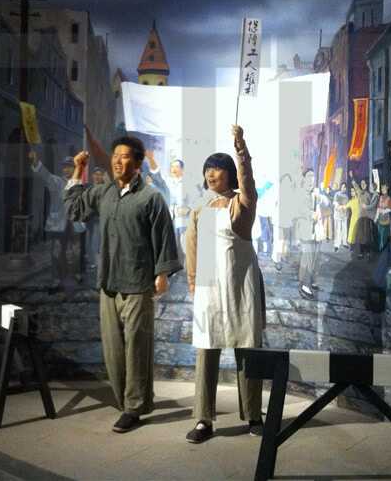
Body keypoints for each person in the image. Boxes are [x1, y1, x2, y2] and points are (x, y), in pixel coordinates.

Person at [64, 136, 181, 433]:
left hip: (138, 283)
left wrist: (162, 274)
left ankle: (134, 407)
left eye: (124, 156)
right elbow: (75, 209)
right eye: (115, 155)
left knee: (137, 348)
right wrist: (79, 171)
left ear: (138, 162)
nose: (117, 161)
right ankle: (126, 401)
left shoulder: (151, 197)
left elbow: (164, 236)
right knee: (113, 350)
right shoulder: (104, 193)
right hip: (109, 283)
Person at [185, 125, 264, 444]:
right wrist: (193, 282)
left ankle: (254, 415)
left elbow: (248, 184)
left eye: (217, 168)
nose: (211, 174)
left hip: (240, 283)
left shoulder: (242, 204)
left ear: (230, 173)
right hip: (208, 287)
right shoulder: (199, 208)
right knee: (206, 352)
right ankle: (203, 419)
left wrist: (241, 150)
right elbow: (192, 247)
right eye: (207, 169)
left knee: (247, 349)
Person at [29, 151, 85, 287]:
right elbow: (45, 176)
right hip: (59, 224)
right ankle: (57, 278)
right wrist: (36, 162)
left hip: (75, 224)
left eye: (70, 167)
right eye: (65, 167)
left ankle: (77, 273)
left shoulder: (80, 186)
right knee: (56, 250)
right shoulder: (57, 182)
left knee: (77, 251)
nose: (67, 170)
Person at [297, 169, 323, 300]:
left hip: (317, 232)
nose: (311, 178)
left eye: (313, 176)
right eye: (308, 176)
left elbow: (327, 203)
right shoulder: (301, 192)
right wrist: (309, 214)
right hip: (305, 231)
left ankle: (310, 281)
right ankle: (305, 286)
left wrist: (319, 197)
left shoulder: (316, 192)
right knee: (307, 260)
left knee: (315, 259)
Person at [84, 167, 107, 273]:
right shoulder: (88, 188)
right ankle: (90, 260)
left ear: (102, 176)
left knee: (95, 241)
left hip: (98, 219)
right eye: (96, 174)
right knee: (88, 240)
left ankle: (93, 263)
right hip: (88, 219)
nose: (97, 176)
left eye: (100, 174)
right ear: (92, 175)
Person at [375, 183, 391, 252]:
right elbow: (378, 208)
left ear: (387, 188)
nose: (383, 189)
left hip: (386, 221)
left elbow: (390, 208)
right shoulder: (380, 198)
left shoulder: (389, 199)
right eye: (382, 188)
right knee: (379, 237)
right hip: (380, 220)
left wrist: (383, 211)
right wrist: (376, 218)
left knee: (384, 237)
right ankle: (381, 251)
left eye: (384, 187)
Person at [333, 182, 350, 251]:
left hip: (344, 215)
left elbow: (347, 206)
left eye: (345, 187)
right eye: (343, 187)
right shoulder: (337, 194)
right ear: (341, 187)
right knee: (338, 229)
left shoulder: (346, 196)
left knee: (344, 229)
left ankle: (344, 243)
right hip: (338, 214)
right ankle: (337, 244)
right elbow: (334, 202)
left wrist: (344, 209)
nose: (344, 188)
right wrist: (338, 207)